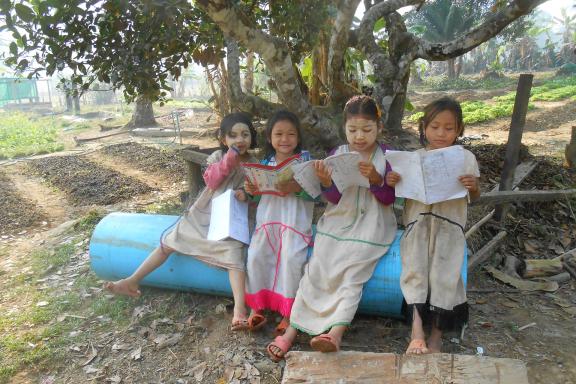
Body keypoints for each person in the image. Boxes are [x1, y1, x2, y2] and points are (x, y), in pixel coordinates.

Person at [266, 95, 397, 361]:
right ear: (344, 128)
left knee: (352, 277)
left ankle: (334, 333)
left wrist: (375, 179)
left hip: (371, 226)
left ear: (379, 129)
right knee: (315, 270)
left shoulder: (387, 158)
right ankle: (291, 331)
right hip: (337, 221)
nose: (359, 136)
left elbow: (388, 199)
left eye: (367, 130)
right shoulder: (337, 155)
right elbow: (333, 198)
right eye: (352, 130)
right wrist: (326, 182)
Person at [104, 112, 258, 331]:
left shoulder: (254, 163)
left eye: (245, 134)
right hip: (206, 213)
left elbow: (257, 192)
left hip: (234, 220)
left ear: (252, 137)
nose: (240, 140)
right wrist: (229, 160)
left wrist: (247, 193)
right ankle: (133, 279)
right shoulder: (217, 157)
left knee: (235, 256)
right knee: (169, 241)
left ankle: (240, 310)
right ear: (223, 139)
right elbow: (213, 180)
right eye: (233, 136)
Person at [385, 97, 480, 354]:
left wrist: (474, 187)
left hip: (450, 229)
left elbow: (474, 197)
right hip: (418, 226)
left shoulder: (466, 159)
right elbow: (399, 192)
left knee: (444, 278)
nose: (441, 133)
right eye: (435, 126)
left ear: (459, 129)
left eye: (449, 128)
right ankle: (416, 333)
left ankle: (437, 336)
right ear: (424, 126)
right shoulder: (412, 159)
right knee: (415, 273)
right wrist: (393, 180)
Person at [244, 110, 315, 335]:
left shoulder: (305, 163)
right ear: (269, 137)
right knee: (256, 257)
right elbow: (256, 196)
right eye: (279, 134)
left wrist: (296, 187)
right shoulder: (265, 164)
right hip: (268, 222)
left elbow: (314, 193)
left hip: (294, 224)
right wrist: (251, 190)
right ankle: (257, 308)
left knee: (291, 261)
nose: (285, 139)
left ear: (298, 138)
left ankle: (287, 313)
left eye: (291, 134)